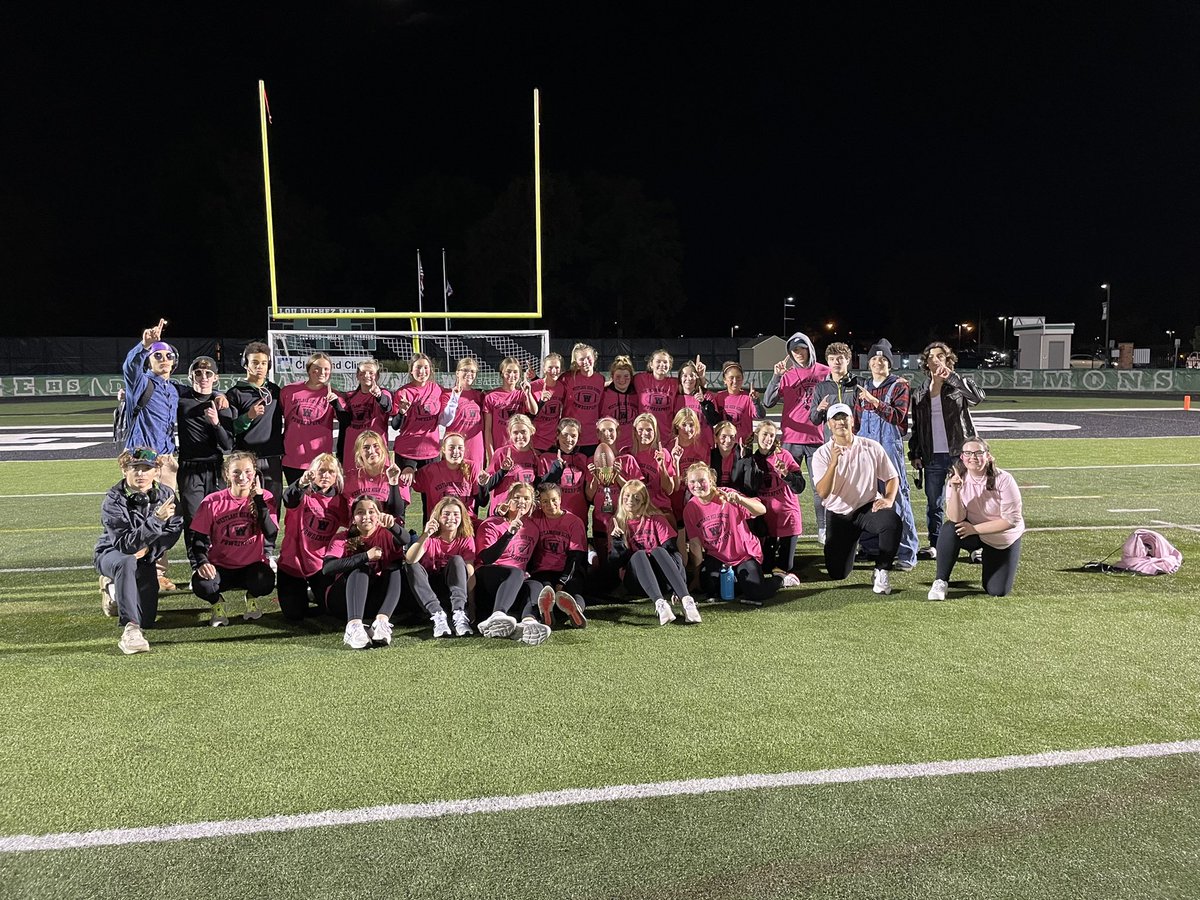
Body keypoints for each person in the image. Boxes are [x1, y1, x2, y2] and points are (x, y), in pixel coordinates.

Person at [95, 448, 184, 654]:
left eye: (146, 468)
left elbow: (173, 530)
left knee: (147, 619)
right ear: (124, 470)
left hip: (146, 556)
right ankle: (130, 629)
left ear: (156, 472)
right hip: (113, 553)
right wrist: (156, 520)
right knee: (126, 561)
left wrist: (150, 550)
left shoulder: (166, 495)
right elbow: (125, 545)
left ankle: (113, 589)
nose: (141, 473)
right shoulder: (113, 500)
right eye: (135, 468)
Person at [811, 403, 902, 595]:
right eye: (835, 419)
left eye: (844, 418)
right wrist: (833, 463)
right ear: (829, 424)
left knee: (891, 522)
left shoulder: (871, 446)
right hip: (839, 514)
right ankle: (851, 546)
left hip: (867, 508)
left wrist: (888, 499)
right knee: (837, 573)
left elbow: (892, 477)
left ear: (852, 420)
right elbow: (823, 493)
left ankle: (882, 570)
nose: (840, 422)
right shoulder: (822, 454)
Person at [908, 342, 986, 560]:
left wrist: (952, 377)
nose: (935, 359)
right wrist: (915, 452)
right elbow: (917, 426)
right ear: (926, 363)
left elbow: (978, 398)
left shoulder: (958, 385)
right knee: (934, 504)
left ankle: (974, 547)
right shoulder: (920, 392)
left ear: (948, 360)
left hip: (959, 454)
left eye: (940, 355)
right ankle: (935, 544)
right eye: (931, 356)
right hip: (932, 455)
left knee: (967, 501)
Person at [122, 319, 181, 591]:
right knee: (138, 517)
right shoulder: (141, 383)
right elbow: (130, 368)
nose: (164, 359)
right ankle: (129, 571)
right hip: (143, 460)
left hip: (166, 460)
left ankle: (157, 573)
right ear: (149, 360)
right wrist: (143, 346)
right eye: (158, 356)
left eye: (168, 356)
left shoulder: (173, 389)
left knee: (165, 516)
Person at [189, 451, 279, 626]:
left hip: (252, 567)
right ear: (227, 474)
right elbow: (198, 540)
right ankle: (217, 603)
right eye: (236, 472)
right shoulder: (212, 501)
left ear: (255, 473)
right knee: (202, 584)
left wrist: (259, 500)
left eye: (248, 471)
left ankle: (252, 597)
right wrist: (202, 562)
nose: (242, 477)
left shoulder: (266, 497)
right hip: (221, 567)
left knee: (266, 581)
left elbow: (270, 533)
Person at [927, 439, 1024, 600]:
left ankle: (989, 558)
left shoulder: (1004, 479)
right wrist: (956, 491)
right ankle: (941, 580)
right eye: (968, 453)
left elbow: (1011, 521)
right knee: (950, 528)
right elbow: (955, 518)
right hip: (975, 533)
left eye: (978, 453)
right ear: (962, 457)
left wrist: (974, 529)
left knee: (997, 590)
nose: (973, 457)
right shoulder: (957, 478)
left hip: (1001, 539)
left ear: (988, 456)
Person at [851, 340, 918, 571]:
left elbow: (899, 417)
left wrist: (875, 402)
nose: (878, 362)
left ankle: (906, 553)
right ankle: (870, 546)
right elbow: (856, 422)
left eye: (883, 359)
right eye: (874, 359)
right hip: (865, 449)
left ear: (890, 363)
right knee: (866, 496)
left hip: (889, 449)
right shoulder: (863, 386)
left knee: (897, 498)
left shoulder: (899, 385)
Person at [764, 332, 831, 545]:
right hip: (791, 439)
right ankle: (784, 527)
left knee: (820, 487)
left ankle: (823, 528)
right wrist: (776, 376)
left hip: (817, 438)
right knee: (785, 486)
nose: (799, 353)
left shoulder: (824, 371)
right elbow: (767, 402)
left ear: (809, 349)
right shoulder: (787, 375)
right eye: (794, 350)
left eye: (802, 348)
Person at [682, 462, 780, 605]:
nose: (697, 485)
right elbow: (695, 544)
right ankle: (737, 581)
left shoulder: (727, 494)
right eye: (692, 482)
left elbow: (761, 510)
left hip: (744, 555)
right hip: (717, 557)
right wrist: (697, 577)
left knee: (756, 592)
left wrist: (740, 500)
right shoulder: (690, 508)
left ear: (711, 480)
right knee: (709, 587)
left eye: (702, 480)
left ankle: (780, 579)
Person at [321, 495, 407, 648]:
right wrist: (365, 556)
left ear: (379, 515)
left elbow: (405, 539)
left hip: (373, 601)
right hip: (342, 602)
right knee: (361, 567)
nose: (366, 516)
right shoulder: (343, 537)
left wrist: (393, 526)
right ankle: (353, 626)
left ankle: (381, 621)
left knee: (394, 567)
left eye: (371, 512)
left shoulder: (386, 533)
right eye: (360, 512)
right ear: (353, 518)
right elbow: (328, 568)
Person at [610, 479, 699, 625]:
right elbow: (615, 563)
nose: (630, 501)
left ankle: (687, 601)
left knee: (659, 550)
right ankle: (660, 604)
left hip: (663, 579)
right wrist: (617, 542)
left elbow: (674, 554)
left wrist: (679, 586)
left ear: (644, 502)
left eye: (636, 498)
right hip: (637, 582)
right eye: (627, 496)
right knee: (639, 555)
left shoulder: (656, 519)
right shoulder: (617, 523)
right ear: (621, 498)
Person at [473, 482, 551, 646]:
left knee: (535, 584)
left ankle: (528, 622)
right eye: (517, 497)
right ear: (508, 500)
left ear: (531, 503)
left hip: (514, 582)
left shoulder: (533, 528)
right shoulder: (492, 523)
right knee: (515, 572)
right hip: (488, 578)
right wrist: (509, 533)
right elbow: (486, 558)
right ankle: (497, 615)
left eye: (526, 498)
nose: (522, 501)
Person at [276, 453, 345, 621]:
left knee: (334, 609)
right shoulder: (302, 493)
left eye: (331, 472)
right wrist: (301, 483)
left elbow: (354, 523)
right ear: (312, 472)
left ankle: (313, 593)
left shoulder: (340, 501)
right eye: (321, 471)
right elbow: (289, 498)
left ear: (337, 476)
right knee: (294, 615)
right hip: (293, 564)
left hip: (321, 566)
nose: (326, 475)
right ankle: (304, 593)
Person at [226, 342, 284, 530]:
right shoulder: (234, 393)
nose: (260, 367)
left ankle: (268, 545)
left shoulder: (275, 391)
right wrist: (248, 416)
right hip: (245, 460)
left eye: (264, 363)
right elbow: (230, 429)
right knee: (244, 505)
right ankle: (246, 543)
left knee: (272, 505)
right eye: (255, 362)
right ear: (246, 364)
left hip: (272, 457)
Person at [808, 341, 860, 543]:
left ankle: (856, 530)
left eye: (840, 358)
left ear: (848, 360)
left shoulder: (858, 383)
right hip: (831, 447)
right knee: (827, 489)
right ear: (827, 362)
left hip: (855, 446)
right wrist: (819, 409)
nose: (836, 362)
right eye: (832, 359)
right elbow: (814, 419)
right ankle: (825, 527)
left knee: (855, 488)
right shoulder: (821, 387)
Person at [175, 356, 234, 534]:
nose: (203, 377)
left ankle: (217, 552)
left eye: (208, 373)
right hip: (189, 467)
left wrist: (216, 423)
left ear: (216, 377)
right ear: (191, 376)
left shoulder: (221, 404)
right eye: (198, 373)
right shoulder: (180, 398)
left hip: (215, 468)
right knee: (193, 519)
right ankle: (196, 554)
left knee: (218, 518)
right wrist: (128, 394)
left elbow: (227, 445)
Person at [406, 496, 477, 638]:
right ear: (437, 517)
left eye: (456, 514)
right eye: (446, 514)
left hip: (452, 589)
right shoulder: (431, 538)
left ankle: (459, 613)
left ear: (462, 517)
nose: (451, 518)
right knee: (412, 565)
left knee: (457, 560)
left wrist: (472, 605)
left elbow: (469, 572)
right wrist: (426, 534)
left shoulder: (465, 538)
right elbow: (410, 559)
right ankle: (438, 615)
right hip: (428, 589)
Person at [748, 420, 805, 586]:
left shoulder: (784, 456)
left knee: (786, 566)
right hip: (766, 520)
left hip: (787, 516)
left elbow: (800, 487)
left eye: (772, 435)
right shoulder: (751, 459)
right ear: (757, 435)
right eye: (765, 434)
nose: (768, 438)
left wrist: (786, 474)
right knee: (765, 566)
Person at [527, 484, 590, 628]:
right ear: (539, 503)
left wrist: (563, 580)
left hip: (569, 570)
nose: (550, 505)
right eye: (545, 501)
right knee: (546, 590)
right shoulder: (535, 517)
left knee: (572, 590)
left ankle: (577, 610)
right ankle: (547, 612)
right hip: (543, 570)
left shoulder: (574, 522)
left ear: (560, 499)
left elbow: (576, 555)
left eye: (554, 500)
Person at [280, 352, 348, 486]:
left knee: (318, 498)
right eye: (317, 368)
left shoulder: (334, 395)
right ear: (309, 370)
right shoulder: (289, 391)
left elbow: (346, 421)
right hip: (293, 458)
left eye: (326, 369)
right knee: (296, 497)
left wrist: (336, 404)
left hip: (320, 461)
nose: (322, 372)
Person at [389, 354, 445, 486]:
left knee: (432, 496)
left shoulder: (437, 389)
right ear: (411, 370)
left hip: (431, 452)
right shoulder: (403, 393)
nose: (422, 371)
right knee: (402, 495)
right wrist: (402, 412)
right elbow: (395, 426)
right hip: (406, 452)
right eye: (418, 367)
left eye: (425, 367)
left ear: (430, 369)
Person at [342, 430, 410, 522]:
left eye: (376, 446)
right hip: (359, 529)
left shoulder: (397, 475)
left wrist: (393, 482)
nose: (371, 451)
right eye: (366, 447)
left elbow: (397, 512)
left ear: (383, 449)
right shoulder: (348, 479)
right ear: (359, 453)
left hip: (388, 529)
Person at [478, 414, 539, 516]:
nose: (520, 436)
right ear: (510, 434)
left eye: (523, 432)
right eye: (515, 432)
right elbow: (488, 486)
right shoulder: (501, 453)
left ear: (531, 431)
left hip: (523, 513)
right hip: (501, 510)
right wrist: (503, 471)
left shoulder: (536, 456)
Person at [338, 359, 393, 469]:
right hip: (353, 450)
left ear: (377, 376)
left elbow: (387, 406)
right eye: (362, 373)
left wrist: (379, 396)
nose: (366, 376)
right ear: (357, 376)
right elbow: (343, 424)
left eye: (371, 373)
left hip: (375, 451)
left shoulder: (383, 393)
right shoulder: (349, 397)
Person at [483, 356, 537, 464]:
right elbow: (488, 429)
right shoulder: (491, 396)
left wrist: (528, 393)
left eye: (515, 372)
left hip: (519, 449)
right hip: (499, 450)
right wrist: (491, 455)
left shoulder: (521, 394)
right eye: (508, 372)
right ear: (502, 373)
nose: (512, 375)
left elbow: (534, 411)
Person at [536, 418, 590, 523]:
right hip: (554, 513)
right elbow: (540, 487)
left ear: (578, 438)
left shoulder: (583, 458)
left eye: (573, 436)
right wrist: (555, 472)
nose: (569, 439)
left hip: (578, 513)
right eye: (565, 435)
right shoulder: (545, 458)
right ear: (557, 435)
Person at [412, 431, 480, 514]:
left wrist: (484, 484)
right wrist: (409, 468)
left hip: (466, 519)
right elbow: (411, 481)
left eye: (460, 448)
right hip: (439, 519)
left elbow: (481, 498)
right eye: (451, 447)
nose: (456, 451)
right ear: (443, 449)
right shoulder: (431, 470)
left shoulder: (471, 467)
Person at [438, 357, 486, 473]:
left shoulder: (480, 396)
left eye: (472, 371)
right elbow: (444, 421)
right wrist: (455, 397)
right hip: (455, 449)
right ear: (457, 373)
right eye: (465, 370)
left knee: (475, 482)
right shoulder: (447, 395)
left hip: (476, 448)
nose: (469, 374)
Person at [629, 413, 678, 524]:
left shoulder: (662, 453)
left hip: (659, 508)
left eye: (649, 430)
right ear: (635, 432)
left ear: (655, 432)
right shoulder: (628, 454)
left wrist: (662, 466)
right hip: (636, 508)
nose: (645, 433)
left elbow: (669, 490)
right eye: (640, 430)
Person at [561, 343, 606, 457]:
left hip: (592, 436)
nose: (586, 362)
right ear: (576, 362)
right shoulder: (568, 378)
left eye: (588, 358)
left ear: (594, 358)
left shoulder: (600, 379)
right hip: (570, 437)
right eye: (581, 359)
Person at [707, 361, 764, 445]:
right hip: (724, 444)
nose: (735, 381)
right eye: (731, 378)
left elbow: (760, 415)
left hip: (743, 444)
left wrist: (756, 401)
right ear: (724, 380)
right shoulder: (719, 397)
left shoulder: (747, 398)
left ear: (743, 379)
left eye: (738, 378)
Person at [634, 349, 680, 439]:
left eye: (665, 362)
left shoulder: (675, 383)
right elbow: (621, 382)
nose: (662, 364)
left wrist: (701, 376)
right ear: (651, 364)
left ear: (670, 365)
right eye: (658, 361)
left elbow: (693, 388)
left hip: (666, 436)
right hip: (644, 435)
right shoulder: (640, 379)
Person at [529, 352, 567, 454]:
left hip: (553, 442)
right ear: (544, 369)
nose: (554, 371)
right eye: (550, 367)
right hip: (535, 441)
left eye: (557, 367)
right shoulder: (533, 387)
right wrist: (541, 402)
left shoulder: (561, 387)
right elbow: (527, 416)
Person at [600, 355, 640, 451]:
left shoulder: (638, 393)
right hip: (610, 446)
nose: (622, 380)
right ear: (612, 376)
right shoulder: (603, 393)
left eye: (626, 376)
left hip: (633, 446)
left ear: (631, 377)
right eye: (618, 376)